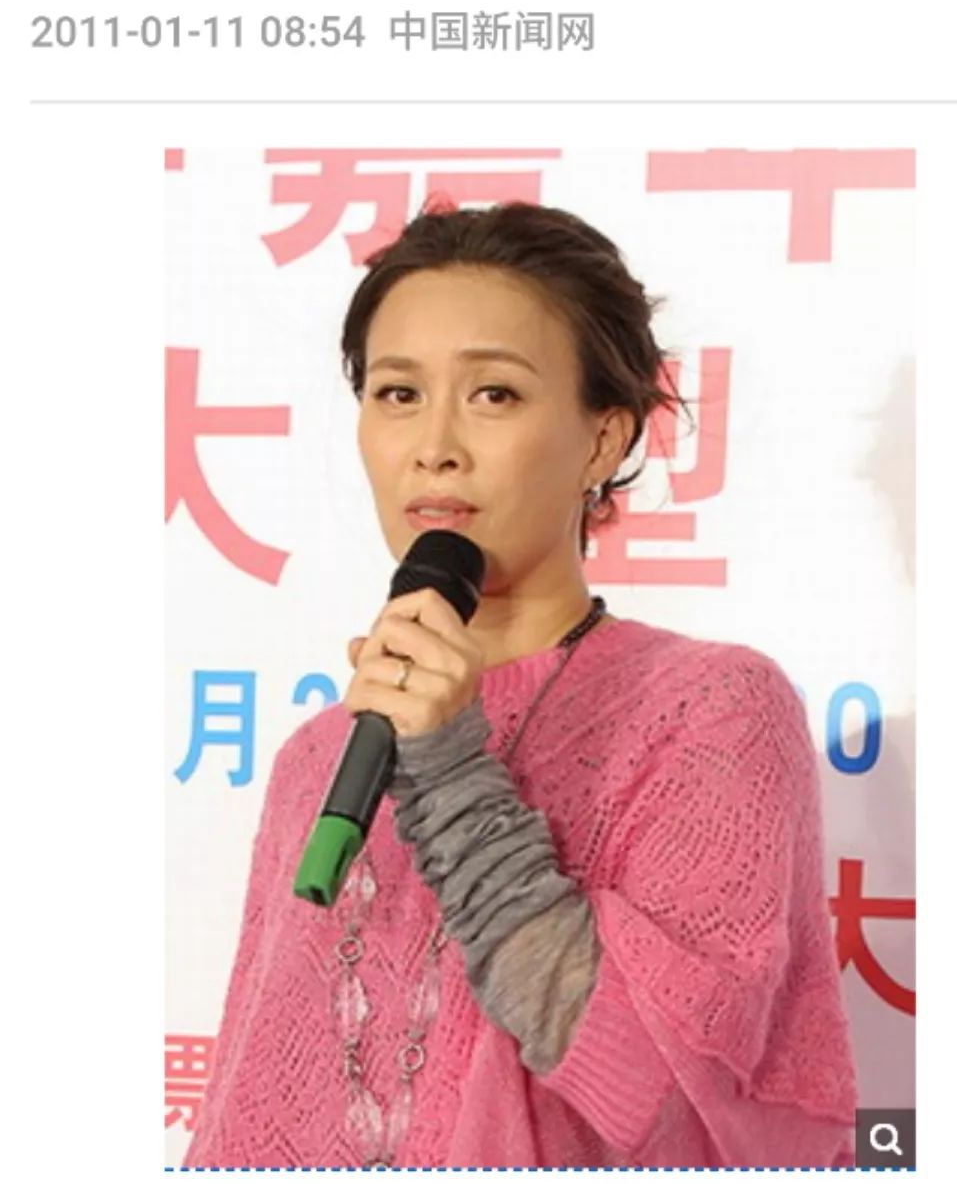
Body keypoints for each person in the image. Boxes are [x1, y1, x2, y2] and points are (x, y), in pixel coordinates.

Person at [182, 200, 858, 1168]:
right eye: (397, 393)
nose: (435, 445)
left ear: (602, 440)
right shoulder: (319, 758)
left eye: (494, 394)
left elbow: (666, 1103)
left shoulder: (713, 709)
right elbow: (252, 1105)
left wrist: (452, 770)